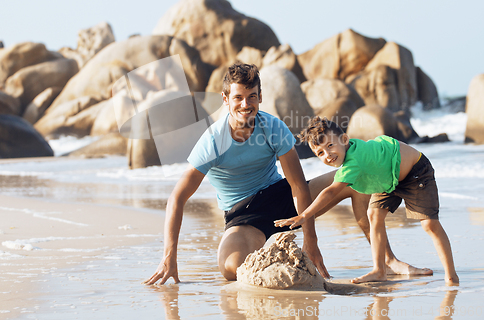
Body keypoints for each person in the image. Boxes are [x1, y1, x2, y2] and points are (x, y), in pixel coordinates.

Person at [143, 63, 428, 285]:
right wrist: (169, 257)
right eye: (238, 98)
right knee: (231, 270)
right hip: (244, 214)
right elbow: (177, 198)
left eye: (251, 97)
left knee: (353, 179)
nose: (246, 104)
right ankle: (273, 251)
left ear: (260, 97)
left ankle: (387, 260)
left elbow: (297, 186)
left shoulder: (273, 127)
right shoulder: (213, 141)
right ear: (226, 99)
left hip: (283, 199)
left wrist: (311, 242)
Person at [275, 116, 459, 286]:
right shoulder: (348, 159)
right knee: (374, 215)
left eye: (330, 145)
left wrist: (304, 215)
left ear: (345, 140)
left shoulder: (354, 161)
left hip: (415, 172)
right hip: (387, 177)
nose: (327, 155)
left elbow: (331, 192)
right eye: (320, 153)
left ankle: (451, 274)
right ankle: (380, 270)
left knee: (429, 225)